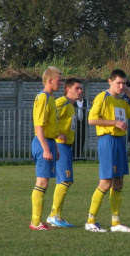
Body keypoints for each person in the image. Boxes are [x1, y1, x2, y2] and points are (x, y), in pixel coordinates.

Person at [85, 69, 130, 232]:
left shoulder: (123, 101)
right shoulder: (103, 97)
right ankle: (90, 220)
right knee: (105, 182)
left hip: (119, 142)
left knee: (118, 182)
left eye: (124, 83)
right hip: (107, 141)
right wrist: (114, 123)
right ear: (110, 82)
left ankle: (116, 223)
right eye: (118, 83)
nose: (121, 86)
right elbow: (91, 119)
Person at [46, 78, 83, 227]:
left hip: (66, 146)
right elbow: (48, 115)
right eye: (77, 88)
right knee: (65, 180)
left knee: (64, 181)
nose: (80, 91)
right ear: (68, 89)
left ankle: (57, 216)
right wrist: (56, 134)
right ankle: (54, 215)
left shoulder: (71, 106)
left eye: (81, 89)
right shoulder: (62, 101)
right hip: (60, 145)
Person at [29, 66, 62, 230]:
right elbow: (39, 126)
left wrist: (54, 146)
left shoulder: (50, 98)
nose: (61, 84)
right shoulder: (43, 98)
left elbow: (50, 126)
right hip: (42, 143)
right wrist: (46, 149)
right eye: (59, 80)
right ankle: (35, 222)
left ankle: (37, 221)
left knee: (44, 182)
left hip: (48, 142)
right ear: (49, 81)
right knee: (41, 182)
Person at [73, 91, 89, 158]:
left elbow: (87, 112)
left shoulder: (85, 101)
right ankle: (73, 155)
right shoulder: (73, 101)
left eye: (82, 93)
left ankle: (79, 155)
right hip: (75, 122)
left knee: (82, 138)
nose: (80, 94)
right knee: (75, 138)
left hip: (83, 123)